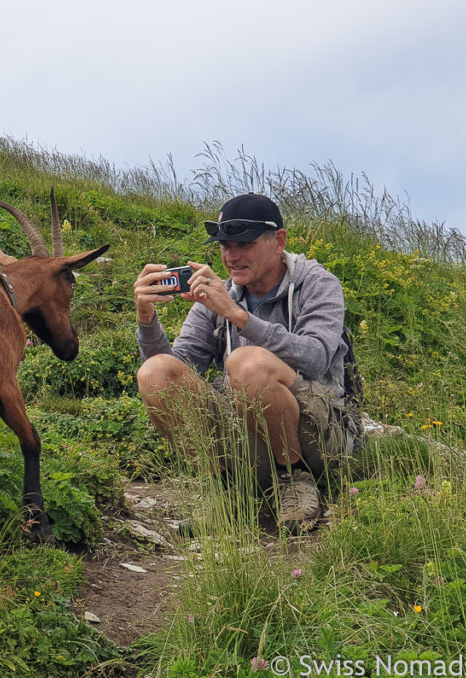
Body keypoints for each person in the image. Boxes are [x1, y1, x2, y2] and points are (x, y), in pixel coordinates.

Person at [133, 193, 351, 532]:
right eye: (224, 246)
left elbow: (316, 357)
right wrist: (147, 320)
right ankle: (225, 492)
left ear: (279, 242)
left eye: (244, 244)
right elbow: (175, 373)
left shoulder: (318, 283)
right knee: (154, 373)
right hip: (247, 437)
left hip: (320, 437)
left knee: (247, 363)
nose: (231, 257)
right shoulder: (220, 296)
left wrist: (237, 315)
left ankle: (294, 480)